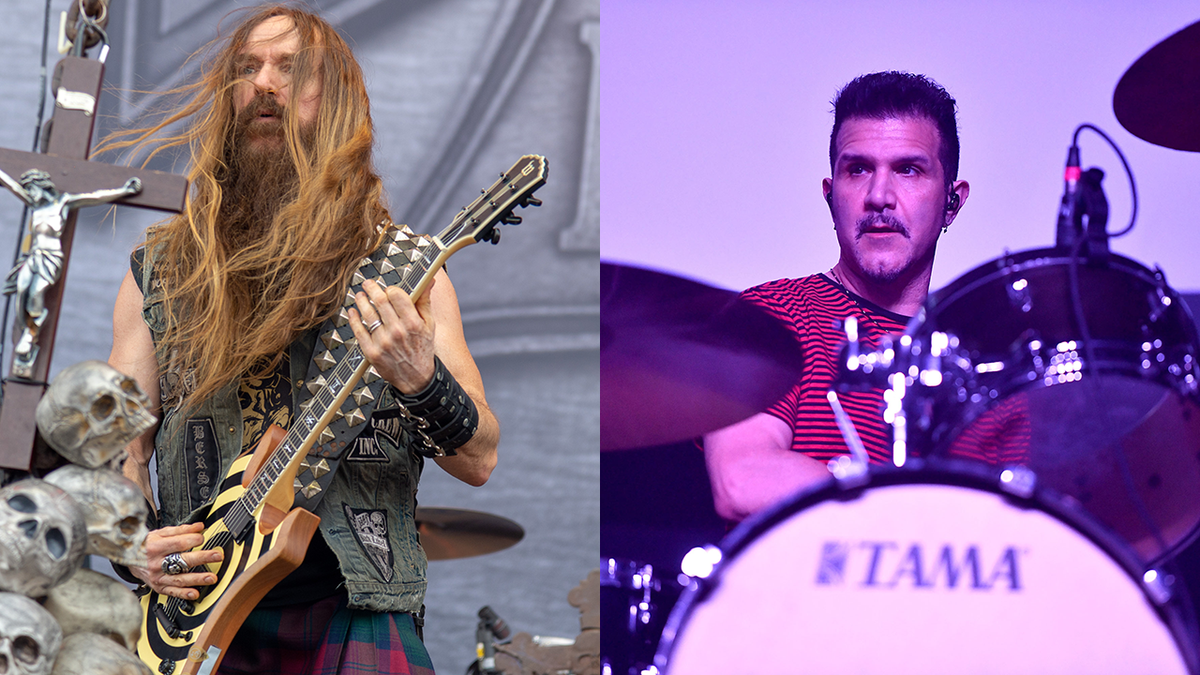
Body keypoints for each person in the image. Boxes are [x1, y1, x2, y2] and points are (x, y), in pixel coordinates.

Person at [105, 6, 498, 674]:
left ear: (338, 102)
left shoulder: (406, 273)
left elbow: (480, 456)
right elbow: (118, 446)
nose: (264, 83)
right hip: (200, 617)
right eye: (247, 68)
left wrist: (419, 379)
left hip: (357, 607)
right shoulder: (165, 268)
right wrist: (132, 541)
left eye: (291, 70)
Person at [704, 71, 974, 523]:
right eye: (858, 169)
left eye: (908, 169)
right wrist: (911, 516)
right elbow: (743, 478)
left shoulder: (985, 365)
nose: (879, 196)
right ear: (831, 197)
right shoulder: (770, 316)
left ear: (952, 203)